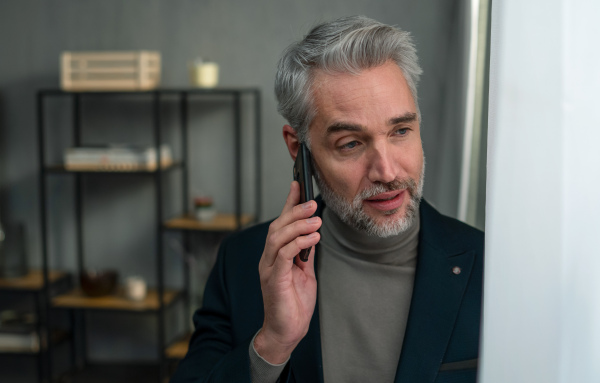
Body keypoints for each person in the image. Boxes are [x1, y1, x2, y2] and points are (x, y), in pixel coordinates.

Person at [171, 15, 483, 383]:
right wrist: (272, 344)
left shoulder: (491, 269)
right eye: (351, 143)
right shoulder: (241, 262)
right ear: (297, 149)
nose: (387, 171)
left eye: (400, 131)